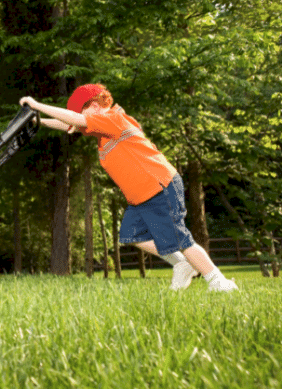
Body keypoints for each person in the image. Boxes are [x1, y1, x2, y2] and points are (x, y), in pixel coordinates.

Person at [19, 83, 238, 292]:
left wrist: (36, 105)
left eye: (82, 112)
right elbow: (71, 123)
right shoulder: (102, 127)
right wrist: (40, 121)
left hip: (159, 186)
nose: (81, 120)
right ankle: (182, 264)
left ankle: (218, 280)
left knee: (180, 238)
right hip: (141, 196)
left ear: (95, 105)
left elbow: (76, 119)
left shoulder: (112, 118)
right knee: (132, 235)